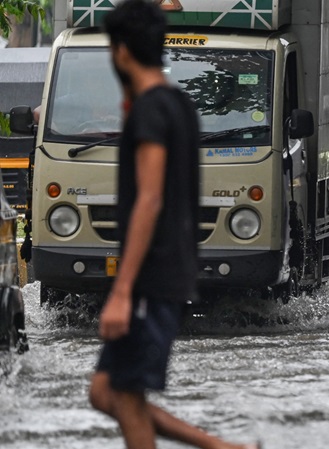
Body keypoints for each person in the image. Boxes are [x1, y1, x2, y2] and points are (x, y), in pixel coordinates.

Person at [87, 2, 258, 449]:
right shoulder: (178, 103)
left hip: (150, 276)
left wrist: (122, 291)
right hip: (169, 269)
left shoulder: (149, 112)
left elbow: (150, 198)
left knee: (124, 396)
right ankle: (223, 448)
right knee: (106, 392)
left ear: (121, 51)